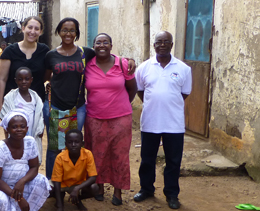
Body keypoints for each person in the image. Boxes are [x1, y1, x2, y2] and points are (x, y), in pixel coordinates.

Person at [44, 17, 136, 179]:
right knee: (55, 147)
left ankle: (73, 181)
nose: (68, 33)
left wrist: (128, 60)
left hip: (78, 108)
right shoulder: (51, 55)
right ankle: (53, 184)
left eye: (72, 30)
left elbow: (105, 54)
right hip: (57, 107)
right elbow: (46, 77)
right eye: (64, 30)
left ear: (77, 34)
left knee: (73, 145)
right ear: (59, 32)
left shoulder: (85, 52)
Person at [133, 31, 192, 210]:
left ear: (172, 45)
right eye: (159, 42)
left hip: (174, 124)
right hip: (150, 122)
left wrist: (168, 103)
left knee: (173, 161)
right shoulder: (144, 67)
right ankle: (146, 189)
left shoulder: (183, 69)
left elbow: (185, 93)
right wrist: (155, 103)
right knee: (147, 159)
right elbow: (140, 91)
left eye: (166, 41)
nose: (162, 44)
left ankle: (172, 194)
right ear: (154, 45)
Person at [83, 33, 138, 205]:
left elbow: (132, 89)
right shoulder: (88, 66)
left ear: (111, 46)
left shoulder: (122, 64)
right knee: (97, 154)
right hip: (94, 117)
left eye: (105, 42)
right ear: (93, 46)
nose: (102, 45)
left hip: (120, 119)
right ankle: (99, 186)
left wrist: (119, 105)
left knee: (119, 154)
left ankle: (117, 190)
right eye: (98, 42)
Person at [0, 110, 51, 211]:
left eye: (22, 127)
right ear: (7, 129)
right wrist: (19, 199)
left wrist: (21, 181)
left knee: (41, 181)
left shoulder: (30, 142)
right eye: (14, 127)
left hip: (18, 183)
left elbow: (34, 167)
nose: (19, 129)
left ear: (27, 128)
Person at [0, 16, 50, 120]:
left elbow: (44, 77)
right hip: (13, 103)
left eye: (36, 29)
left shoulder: (44, 51)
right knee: (14, 135)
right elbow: (2, 79)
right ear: (23, 28)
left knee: (35, 134)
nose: (32, 31)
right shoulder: (10, 51)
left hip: (36, 102)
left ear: (41, 32)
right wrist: (0, 104)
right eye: (30, 27)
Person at [0, 67, 44, 163]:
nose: (24, 81)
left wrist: (40, 128)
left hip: (32, 132)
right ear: (16, 81)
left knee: (31, 158)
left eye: (27, 79)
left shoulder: (35, 97)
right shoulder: (10, 97)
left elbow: (40, 114)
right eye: (20, 79)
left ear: (31, 79)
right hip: (16, 133)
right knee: (16, 159)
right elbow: (5, 116)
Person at [52, 129, 99, 211]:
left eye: (77, 142)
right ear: (66, 144)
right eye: (70, 142)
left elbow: (93, 177)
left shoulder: (88, 154)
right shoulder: (60, 157)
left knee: (94, 188)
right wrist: (60, 206)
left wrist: (77, 188)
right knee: (48, 189)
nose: (73, 145)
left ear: (82, 144)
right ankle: (60, 200)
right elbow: (57, 181)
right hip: (62, 184)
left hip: (78, 184)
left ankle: (77, 200)